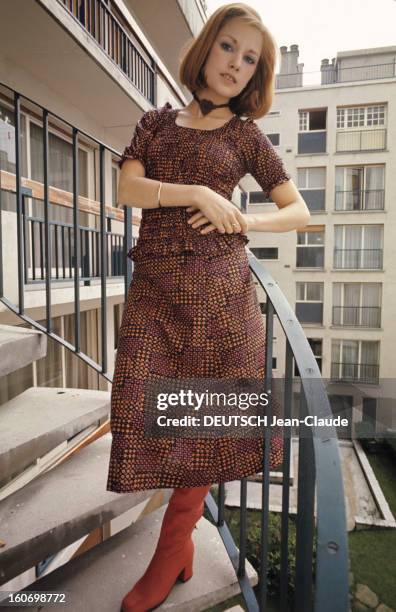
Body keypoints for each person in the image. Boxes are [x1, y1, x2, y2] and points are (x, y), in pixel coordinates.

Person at [106, 2, 310, 610]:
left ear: (255, 77)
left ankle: (172, 549)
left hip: (220, 299)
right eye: (229, 47)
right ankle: (184, 544)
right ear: (206, 48)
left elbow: (299, 210)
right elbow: (127, 186)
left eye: (250, 60)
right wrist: (194, 191)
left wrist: (241, 216)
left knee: (202, 421)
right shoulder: (155, 123)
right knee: (142, 406)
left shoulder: (246, 136)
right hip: (156, 293)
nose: (236, 65)